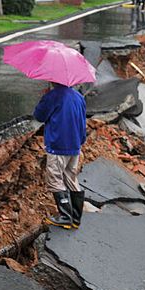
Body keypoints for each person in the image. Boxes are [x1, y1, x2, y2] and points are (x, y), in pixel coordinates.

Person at [33, 82, 87, 230]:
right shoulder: (78, 97)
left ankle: (65, 216)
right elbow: (83, 122)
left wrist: (44, 98)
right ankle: (75, 217)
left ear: (53, 80)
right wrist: (81, 140)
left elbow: (39, 115)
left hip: (58, 145)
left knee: (55, 179)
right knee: (70, 178)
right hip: (75, 144)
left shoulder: (53, 96)